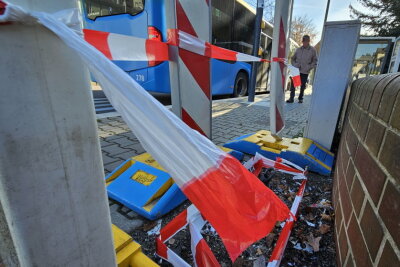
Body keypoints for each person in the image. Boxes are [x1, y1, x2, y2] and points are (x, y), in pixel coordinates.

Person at [286, 35, 318, 103]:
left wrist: (309, 67)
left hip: (305, 71)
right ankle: (291, 98)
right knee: (293, 85)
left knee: (302, 85)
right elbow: (292, 58)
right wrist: (294, 65)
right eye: (303, 41)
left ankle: (300, 98)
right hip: (296, 70)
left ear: (309, 41)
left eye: (305, 41)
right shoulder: (298, 49)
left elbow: (315, 61)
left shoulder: (312, 50)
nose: (304, 43)